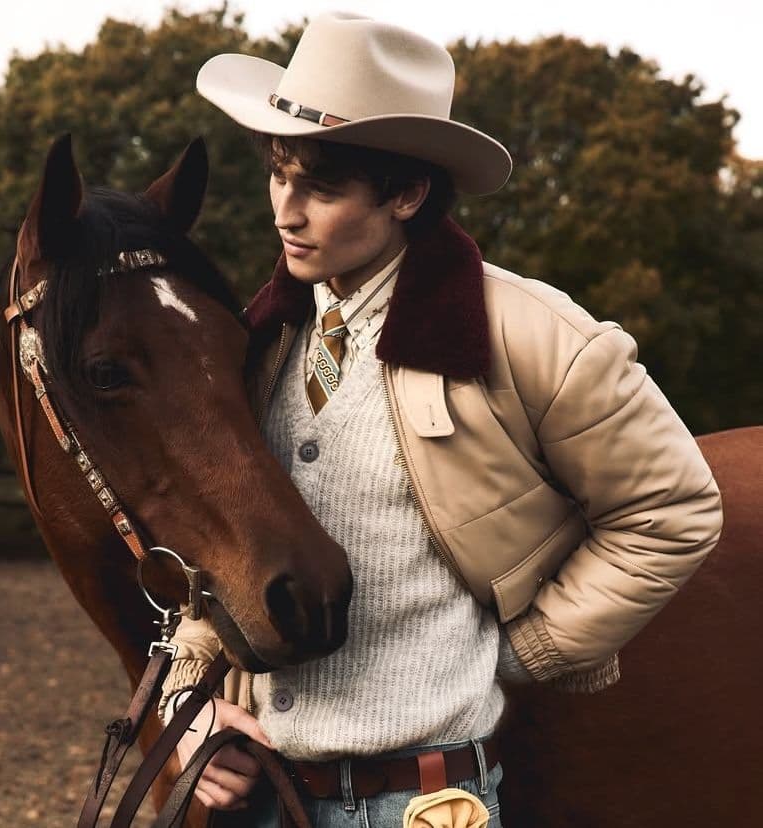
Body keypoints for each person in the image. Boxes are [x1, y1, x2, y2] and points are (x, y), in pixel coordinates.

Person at [156, 12, 723, 826]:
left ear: (407, 194)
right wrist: (186, 695)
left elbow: (674, 509)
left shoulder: (532, 334)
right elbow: (228, 544)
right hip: (265, 801)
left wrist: (528, 650)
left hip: (423, 803)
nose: (286, 211)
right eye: (279, 174)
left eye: (322, 188)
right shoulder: (262, 339)